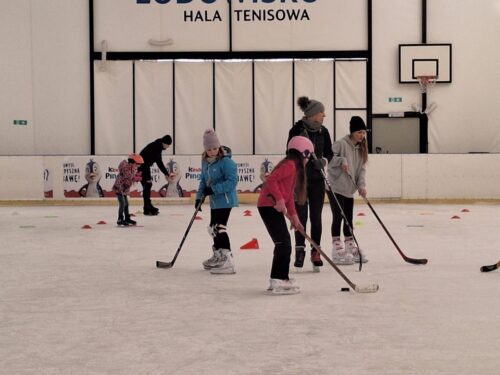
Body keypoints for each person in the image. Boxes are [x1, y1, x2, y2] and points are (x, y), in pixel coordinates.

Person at [257, 136, 313, 295]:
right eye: (308, 156)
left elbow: (288, 195)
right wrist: (279, 199)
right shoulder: (290, 165)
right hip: (268, 205)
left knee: (283, 242)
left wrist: (295, 217)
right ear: (304, 153)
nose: (308, 160)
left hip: (271, 206)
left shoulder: (294, 168)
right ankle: (278, 279)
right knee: (283, 243)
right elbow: (271, 180)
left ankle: (280, 277)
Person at [287, 96, 333, 271]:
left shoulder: (324, 131)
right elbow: (289, 153)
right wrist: (303, 161)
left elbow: (330, 153)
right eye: (322, 113)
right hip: (300, 181)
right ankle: (300, 251)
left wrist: (323, 161)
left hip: (318, 180)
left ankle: (316, 251)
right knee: (300, 217)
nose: (324, 116)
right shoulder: (296, 130)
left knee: (316, 217)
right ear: (313, 114)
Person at [195, 129, 239, 275]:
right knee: (212, 228)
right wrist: (199, 198)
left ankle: (228, 260)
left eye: (215, 148)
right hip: (215, 201)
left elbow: (232, 182)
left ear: (219, 147)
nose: (212, 151)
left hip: (226, 200)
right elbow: (203, 181)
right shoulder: (205, 162)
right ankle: (218, 255)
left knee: (219, 227)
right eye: (209, 149)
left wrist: (213, 190)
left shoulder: (226, 162)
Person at [327, 116, 369, 265]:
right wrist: (341, 160)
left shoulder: (361, 148)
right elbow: (329, 159)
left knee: (348, 218)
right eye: (359, 132)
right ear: (352, 132)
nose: (362, 135)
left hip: (348, 189)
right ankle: (337, 248)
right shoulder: (340, 144)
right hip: (335, 187)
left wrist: (361, 185)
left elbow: (361, 170)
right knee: (338, 216)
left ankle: (350, 245)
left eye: (363, 133)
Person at [138, 135, 172, 215]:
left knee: (147, 186)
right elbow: (159, 162)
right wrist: (166, 174)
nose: (167, 147)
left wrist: (166, 174)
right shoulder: (156, 147)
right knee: (147, 185)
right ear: (164, 143)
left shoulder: (158, 146)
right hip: (142, 167)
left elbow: (159, 162)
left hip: (144, 166)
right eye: (168, 145)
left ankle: (148, 206)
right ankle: (147, 208)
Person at [112, 153, 144, 226]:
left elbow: (131, 176)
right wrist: (136, 178)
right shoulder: (126, 167)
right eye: (138, 164)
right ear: (133, 162)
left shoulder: (133, 167)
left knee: (126, 204)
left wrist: (136, 175)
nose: (139, 166)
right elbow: (128, 176)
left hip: (125, 188)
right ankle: (120, 219)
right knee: (122, 203)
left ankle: (127, 218)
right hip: (119, 187)